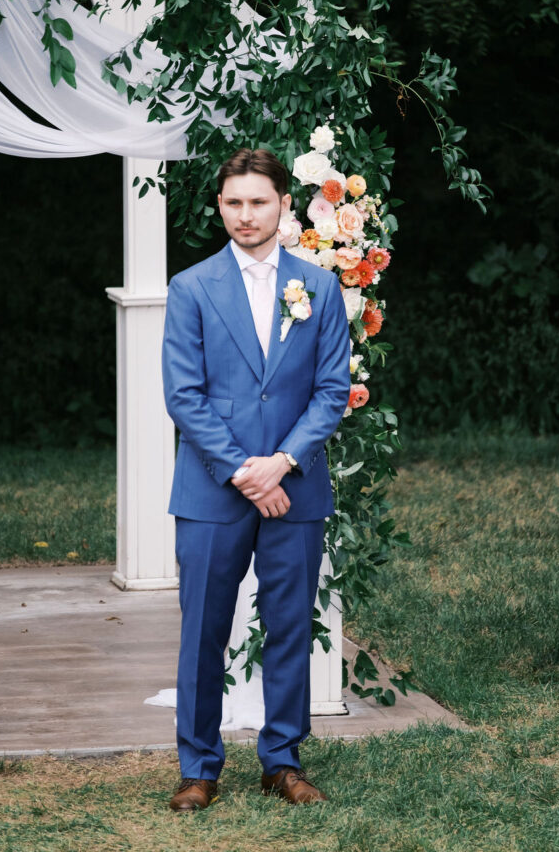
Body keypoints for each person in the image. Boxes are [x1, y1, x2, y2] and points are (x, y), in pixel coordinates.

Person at [161, 147, 351, 812]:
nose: (245, 215)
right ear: (220, 207)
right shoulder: (190, 288)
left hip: (293, 486)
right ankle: (198, 765)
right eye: (233, 203)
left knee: (290, 625)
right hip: (212, 489)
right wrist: (245, 470)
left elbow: (330, 391)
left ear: (283, 207)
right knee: (203, 629)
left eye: (258, 202)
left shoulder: (318, 288)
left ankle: (282, 761)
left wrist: (282, 462)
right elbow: (184, 396)